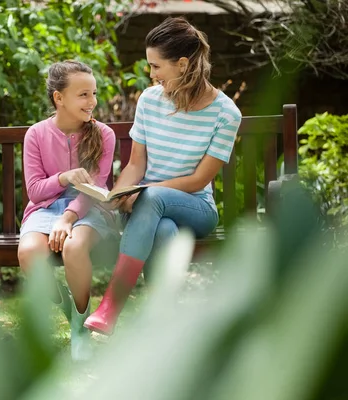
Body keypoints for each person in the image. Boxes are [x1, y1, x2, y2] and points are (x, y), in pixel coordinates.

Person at [84, 17, 242, 336]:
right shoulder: (150, 100)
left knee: (154, 199)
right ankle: (162, 323)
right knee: (163, 227)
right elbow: (136, 165)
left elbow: (199, 180)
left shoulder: (226, 113)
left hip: (197, 209)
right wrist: (122, 193)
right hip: (150, 211)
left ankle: (112, 304)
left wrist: (143, 192)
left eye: (156, 66)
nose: (151, 74)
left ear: (182, 64)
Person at [17, 60, 116, 360]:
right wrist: (64, 177)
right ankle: (72, 314)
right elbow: (34, 190)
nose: (93, 102)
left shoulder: (104, 135)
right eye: (83, 94)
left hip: (90, 209)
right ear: (59, 98)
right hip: (43, 209)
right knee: (28, 253)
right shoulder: (35, 134)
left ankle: (80, 327)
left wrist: (68, 217)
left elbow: (94, 191)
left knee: (73, 248)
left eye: (94, 93)